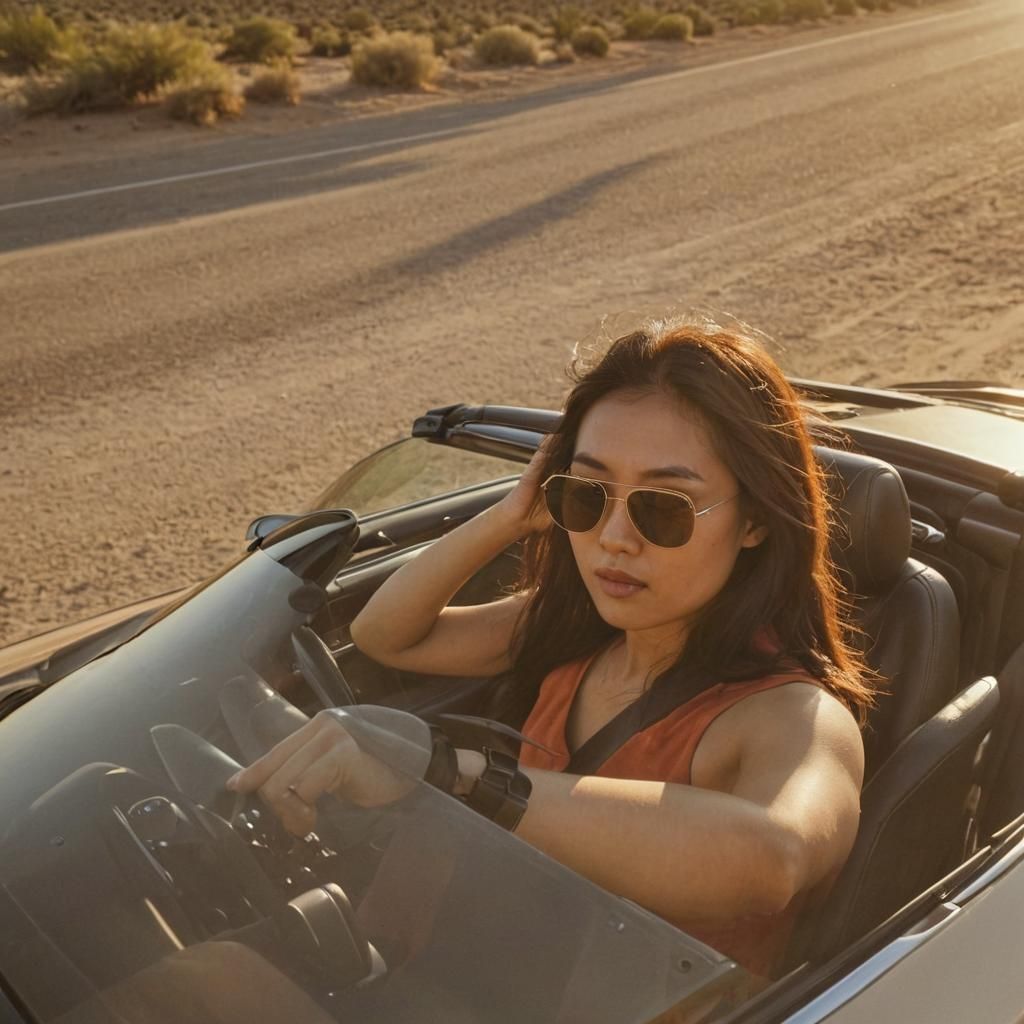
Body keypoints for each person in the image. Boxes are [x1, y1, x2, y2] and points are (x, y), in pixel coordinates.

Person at [228, 318, 871, 981]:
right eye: (587, 494)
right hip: (490, 976)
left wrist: (456, 776)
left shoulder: (792, 713)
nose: (615, 537)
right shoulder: (578, 637)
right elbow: (385, 635)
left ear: (757, 520)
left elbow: (773, 859)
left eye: (665, 508)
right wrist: (512, 515)